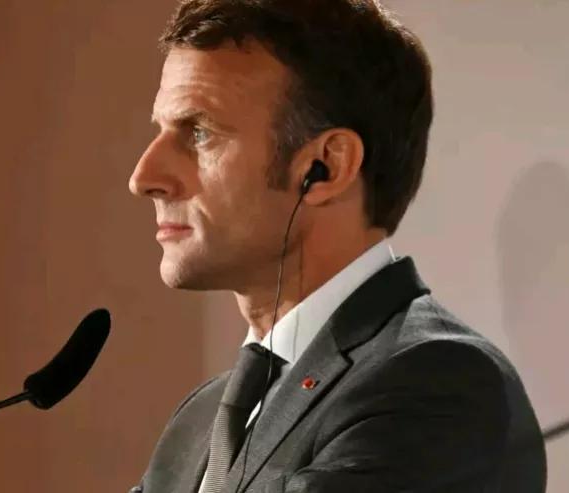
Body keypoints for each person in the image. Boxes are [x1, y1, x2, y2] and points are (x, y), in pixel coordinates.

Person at [127, 1, 547, 491]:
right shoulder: (197, 421)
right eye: (160, 131)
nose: (144, 177)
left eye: (199, 132)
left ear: (325, 167)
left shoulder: (438, 382)